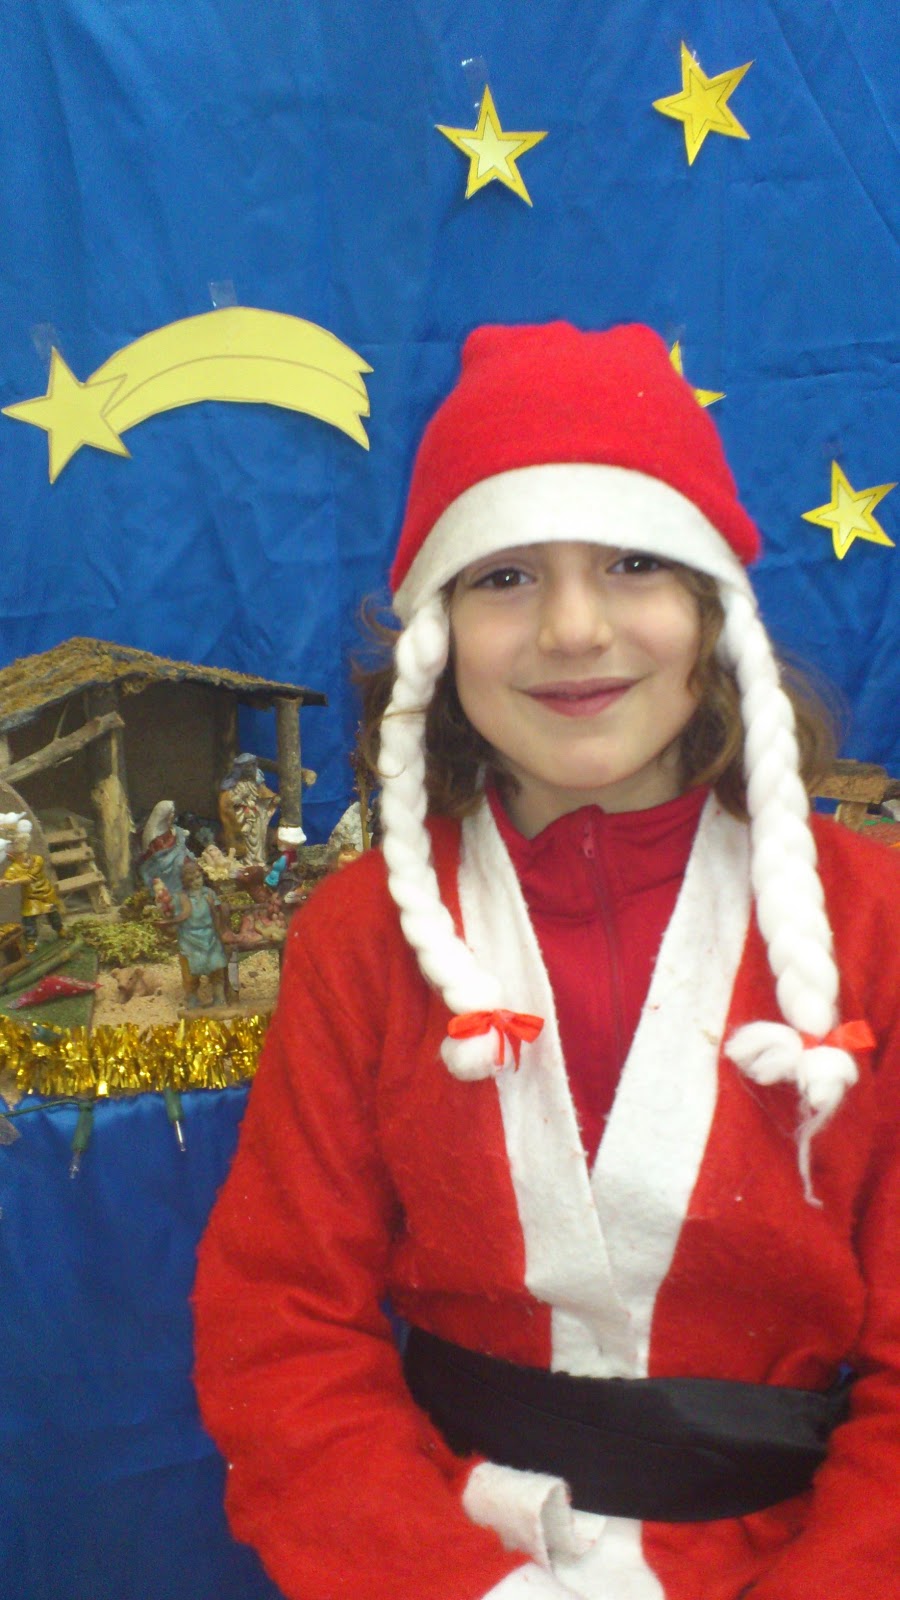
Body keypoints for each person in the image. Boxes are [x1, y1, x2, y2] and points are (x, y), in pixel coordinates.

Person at [192, 323, 900, 1600]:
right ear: (437, 636)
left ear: (713, 613)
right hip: (436, 1553)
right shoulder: (361, 938)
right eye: (507, 576)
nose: (575, 630)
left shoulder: (875, 923)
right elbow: (283, 1333)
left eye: (633, 563)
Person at [170, 858, 228, 1008]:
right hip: (189, 938)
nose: (196, 882)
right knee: (190, 971)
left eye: (198, 877)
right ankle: (192, 998)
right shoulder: (181, 898)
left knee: (216, 967)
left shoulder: (209, 893)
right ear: (185, 881)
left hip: (210, 936)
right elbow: (176, 918)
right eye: (192, 879)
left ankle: (219, 998)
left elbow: (218, 912)